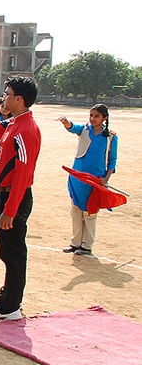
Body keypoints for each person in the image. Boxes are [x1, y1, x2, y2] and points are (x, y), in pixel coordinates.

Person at [0, 76, 41, 321]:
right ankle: (7, 293)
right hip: (4, 195)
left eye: (8, 93)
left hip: (15, 196)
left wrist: (11, 210)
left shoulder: (26, 130)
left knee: (13, 254)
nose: (4, 97)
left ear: (19, 99)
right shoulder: (14, 122)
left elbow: (23, 173)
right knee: (7, 251)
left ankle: (9, 307)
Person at [57, 104, 118, 256]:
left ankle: (87, 245)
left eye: (96, 116)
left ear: (105, 118)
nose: (92, 119)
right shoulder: (84, 130)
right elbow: (73, 127)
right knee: (76, 210)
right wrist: (66, 122)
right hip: (77, 178)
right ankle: (75, 243)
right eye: (91, 115)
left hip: (95, 181)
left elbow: (112, 160)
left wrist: (105, 178)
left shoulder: (111, 137)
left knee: (90, 212)